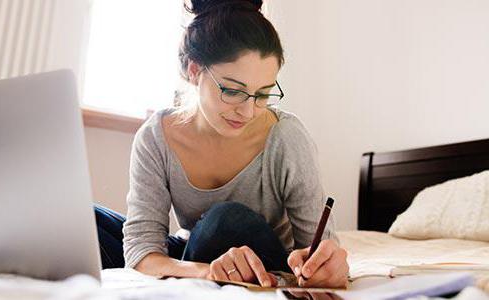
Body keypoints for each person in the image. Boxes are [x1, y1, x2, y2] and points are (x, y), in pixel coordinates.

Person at [94, 0, 349, 288]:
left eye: (263, 94)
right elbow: (142, 253)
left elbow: (321, 253)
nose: (248, 111)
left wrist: (327, 265)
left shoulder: (287, 139)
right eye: (232, 90)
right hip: (197, 254)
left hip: (263, 259)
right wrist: (204, 271)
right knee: (88, 220)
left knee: (225, 221)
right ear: (194, 70)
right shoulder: (156, 137)